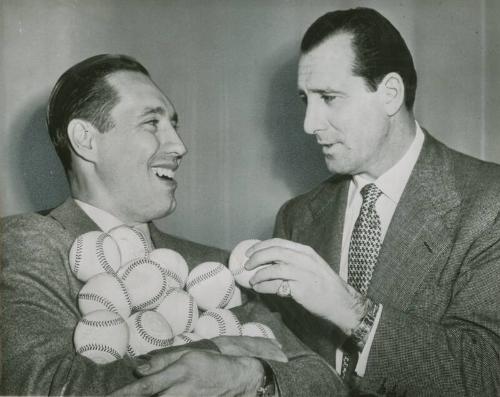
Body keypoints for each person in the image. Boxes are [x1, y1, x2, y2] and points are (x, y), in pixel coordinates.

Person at [0, 54, 347, 396]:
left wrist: (257, 377)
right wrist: (216, 351)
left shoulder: (214, 265)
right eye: (152, 123)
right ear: (86, 140)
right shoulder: (29, 243)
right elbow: (37, 385)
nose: (179, 146)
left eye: (174, 125)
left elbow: (323, 380)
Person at [245, 7, 500, 397]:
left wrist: (352, 311)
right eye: (305, 100)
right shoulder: (296, 218)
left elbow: (487, 374)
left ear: (390, 94)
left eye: (329, 97)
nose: (309, 124)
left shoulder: (488, 202)